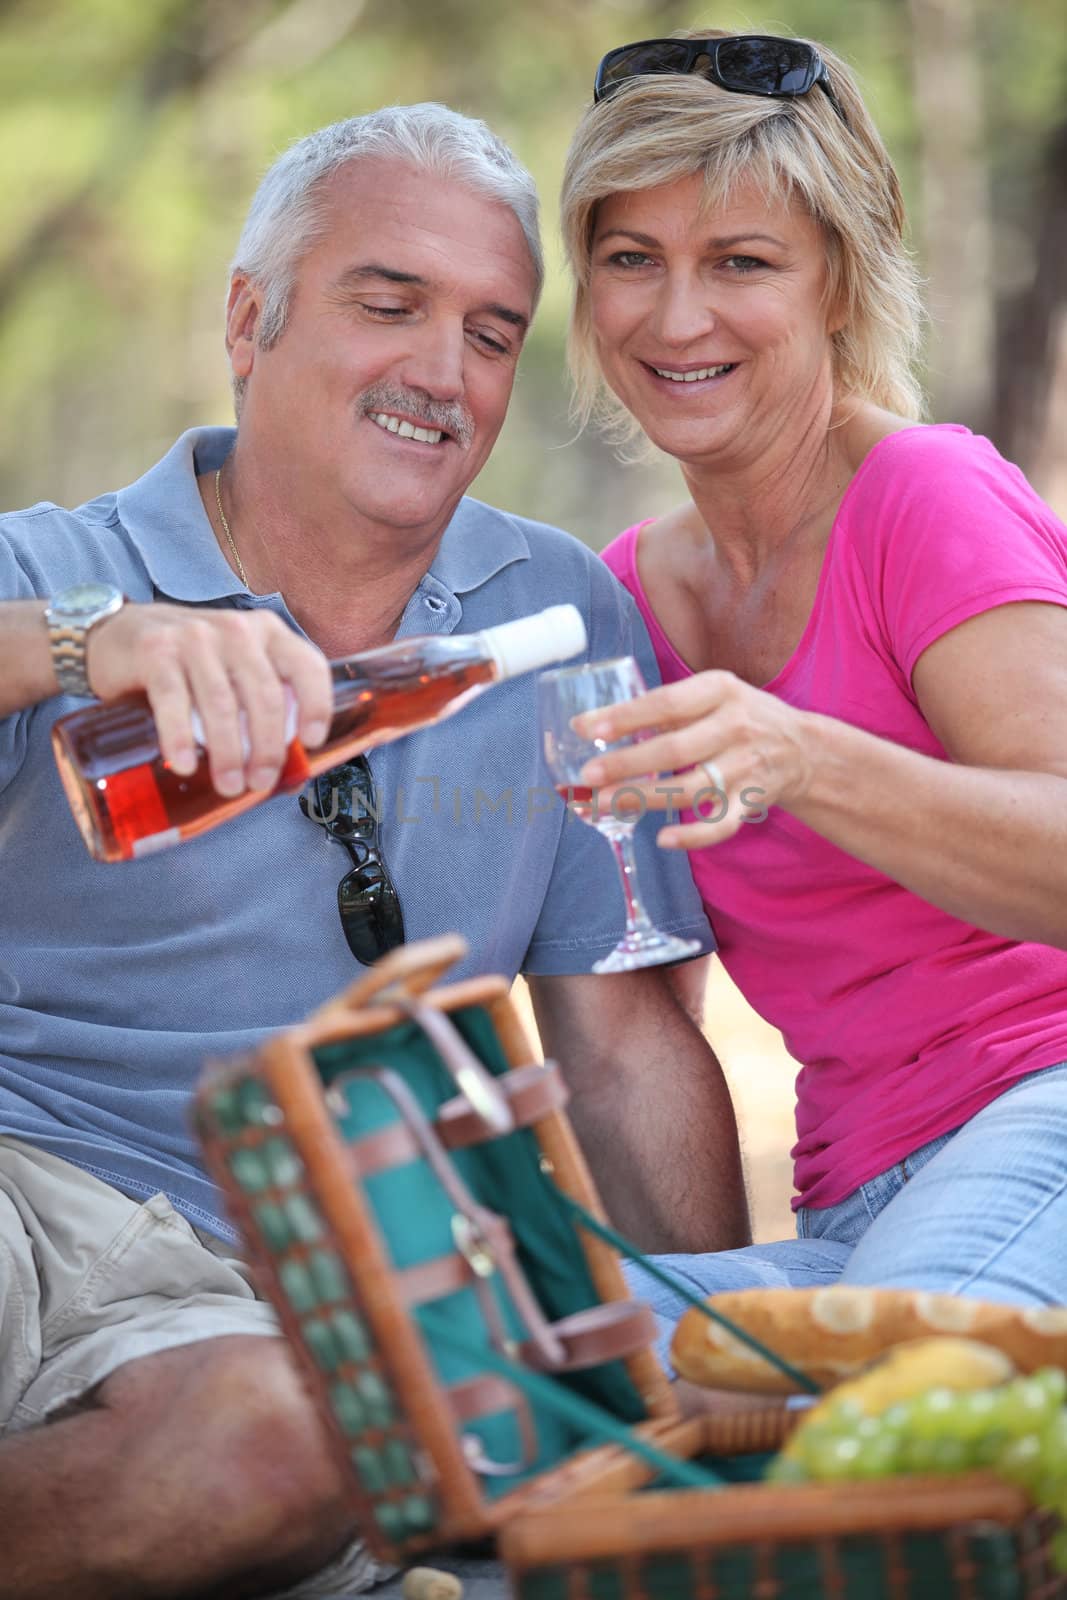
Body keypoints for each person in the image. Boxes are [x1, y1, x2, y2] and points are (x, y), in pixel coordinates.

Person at [0, 106, 749, 1599]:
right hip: (30, 1185)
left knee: (299, 1445)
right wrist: (90, 645)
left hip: (326, 1277)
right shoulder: (52, 571)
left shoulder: (556, 618)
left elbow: (617, 1041)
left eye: (490, 332)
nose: (440, 372)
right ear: (247, 318)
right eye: (386, 302)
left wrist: (710, 1358)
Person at [556, 30, 1067, 1352]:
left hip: (1042, 1112)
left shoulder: (921, 495)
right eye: (632, 261)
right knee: (506, 1392)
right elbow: (638, 1037)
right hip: (854, 1205)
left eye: (741, 263)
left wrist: (806, 758)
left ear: (837, 281)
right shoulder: (619, 602)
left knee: (916, 1412)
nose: (676, 319)